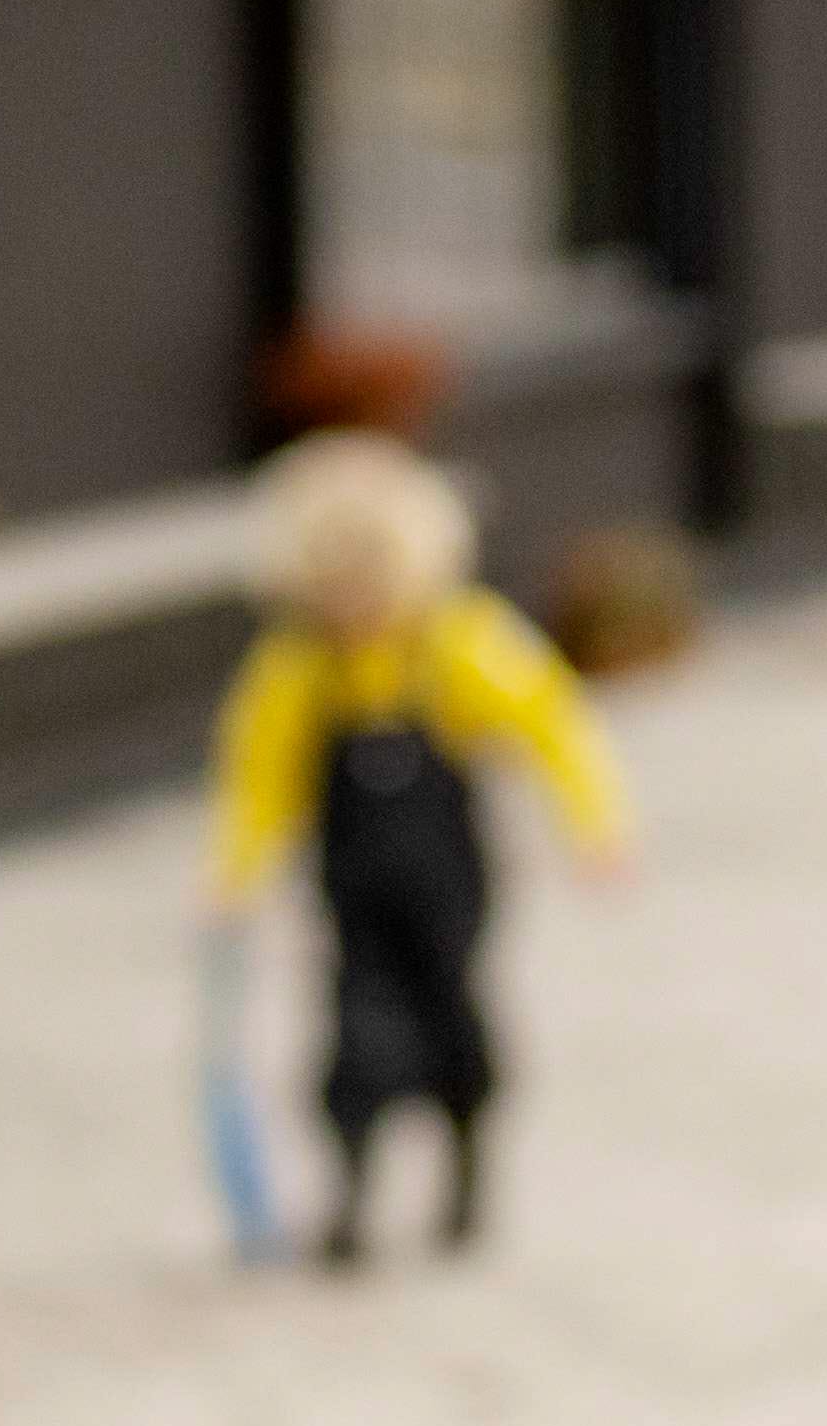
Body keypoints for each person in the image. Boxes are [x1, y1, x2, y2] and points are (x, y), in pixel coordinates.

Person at [198, 430, 630, 1265]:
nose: (354, 606)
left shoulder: (457, 644)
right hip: (352, 891)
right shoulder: (299, 670)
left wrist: (596, 826)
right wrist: (234, 874)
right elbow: (258, 780)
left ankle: (465, 1172)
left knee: (453, 1019)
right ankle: (351, 1192)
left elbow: (553, 725)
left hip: (448, 884)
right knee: (355, 1034)